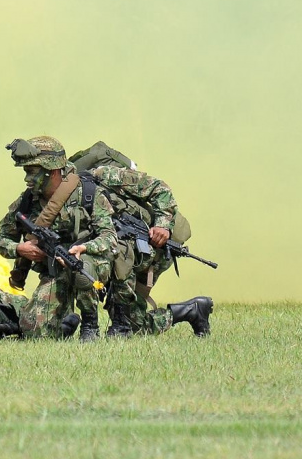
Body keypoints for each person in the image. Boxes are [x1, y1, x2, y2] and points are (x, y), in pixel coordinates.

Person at [70, 142, 213, 337]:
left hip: (151, 246)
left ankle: (188, 311)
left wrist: (162, 225)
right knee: (136, 326)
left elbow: (160, 189)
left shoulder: (105, 175)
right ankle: (191, 310)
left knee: (129, 325)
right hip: (120, 250)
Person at [0, 136, 117, 340]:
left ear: (52, 170)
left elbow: (109, 238)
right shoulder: (27, 201)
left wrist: (83, 249)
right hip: (54, 273)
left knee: (82, 269)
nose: (27, 179)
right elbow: (1, 239)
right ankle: (66, 323)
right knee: (34, 332)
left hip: (89, 266)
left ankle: (90, 324)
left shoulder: (87, 194)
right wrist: (19, 249)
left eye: (32, 172)